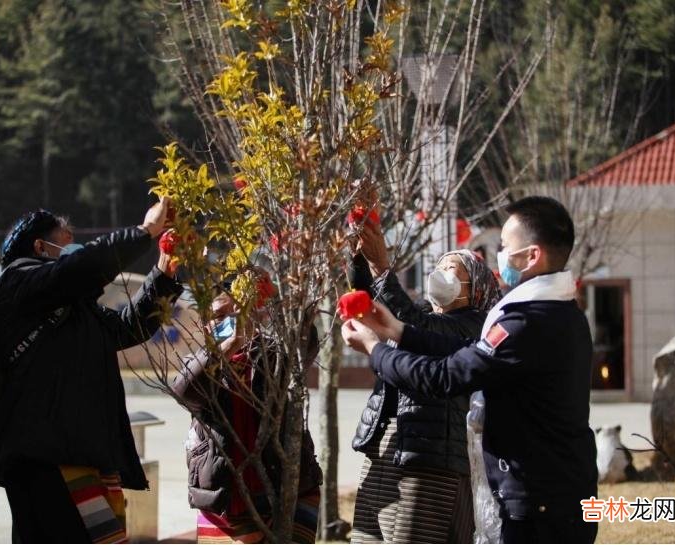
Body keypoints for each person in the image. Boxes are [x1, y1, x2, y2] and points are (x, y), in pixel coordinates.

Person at [341, 196, 598, 544]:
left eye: (506, 247)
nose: (500, 256)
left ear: (532, 255)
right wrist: (397, 333)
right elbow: (464, 352)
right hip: (549, 495)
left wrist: (375, 349)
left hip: (539, 505)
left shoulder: (526, 322)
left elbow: (445, 375)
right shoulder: (559, 313)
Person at [0, 198, 182, 543]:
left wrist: (164, 273)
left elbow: (126, 329)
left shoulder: (74, 305)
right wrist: (145, 232)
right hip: (44, 459)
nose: (74, 251)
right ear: (39, 246)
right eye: (66, 242)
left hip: (78, 452)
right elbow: (83, 266)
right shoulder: (17, 286)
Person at [347, 218, 501, 543]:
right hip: (388, 440)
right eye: (440, 266)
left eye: (452, 270)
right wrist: (359, 257)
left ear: (475, 288)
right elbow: (370, 301)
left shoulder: (475, 325)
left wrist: (383, 268)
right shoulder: (420, 315)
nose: (440, 275)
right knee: (367, 538)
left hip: (433, 453)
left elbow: (416, 330)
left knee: (412, 538)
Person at [171, 278, 323, 544]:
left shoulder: (272, 355)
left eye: (239, 313)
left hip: (287, 493)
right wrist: (224, 348)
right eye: (220, 316)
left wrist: (276, 298)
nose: (231, 322)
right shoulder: (201, 365)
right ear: (206, 325)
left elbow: (304, 348)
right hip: (225, 503)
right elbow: (185, 391)